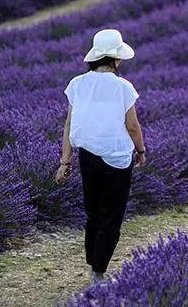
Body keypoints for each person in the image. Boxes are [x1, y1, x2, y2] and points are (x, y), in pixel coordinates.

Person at [54, 29, 146, 286]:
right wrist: (141, 151)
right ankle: (98, 273)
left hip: (87, 157)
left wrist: (65, 161)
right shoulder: (123, 87)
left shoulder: (77, 84)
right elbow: (133, 126)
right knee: (111, 216)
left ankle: (94, 262)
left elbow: (69, 125)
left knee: (93, 212)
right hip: (117, 159)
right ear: (115, 59)